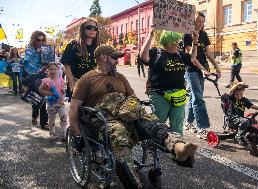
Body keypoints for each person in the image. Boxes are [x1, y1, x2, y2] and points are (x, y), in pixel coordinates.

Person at [69, 45, 198, 188]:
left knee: (152, 122)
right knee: (119, 134)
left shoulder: (120, 77)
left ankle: (178, 147)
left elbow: (133, 98)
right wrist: (77, 135)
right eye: (115, 58)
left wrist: (132, 108)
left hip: (127, 113)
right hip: (104, 118)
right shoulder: (86, 79)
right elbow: (74, 108)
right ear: (103, 58)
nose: (117, 61)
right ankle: (132, 182)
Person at [139, 28, 198, 135]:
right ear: (167, 42)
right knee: (158, 124)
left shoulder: (180, 54)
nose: (177, 44)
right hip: (160, 94)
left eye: (177, 41)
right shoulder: (156, 53)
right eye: (174, 42)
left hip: (179, 94)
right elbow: (143, 56)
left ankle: (178, 148)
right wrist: (150, 36)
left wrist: (195, 42)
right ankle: (155, 147)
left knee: (177, 124)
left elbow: (192, 58)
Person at [183, 11, 221, 139]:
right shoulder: (187, 35)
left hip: (202, 69)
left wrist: (216, 66)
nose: (200, 23)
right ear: (193, 21)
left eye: (202, 21)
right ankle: (202, 128)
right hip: (192, 70)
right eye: (198, 21)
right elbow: (191, 57)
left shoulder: (204, 35)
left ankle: (188, 123)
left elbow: (208, 53)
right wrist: (202, 69)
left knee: (195, 97)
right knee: (198, 98)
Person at [60, 18, 99, 101]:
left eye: (95, 28)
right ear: (82, 29)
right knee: (78, 112)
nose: (92, 30)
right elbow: (66, 66)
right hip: (77, 85)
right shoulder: (73, 45)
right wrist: (72, 84)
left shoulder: (98, 47)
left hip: (94, 86)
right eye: (89, 27)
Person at [23, 30, 48, 130]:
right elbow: (26, 62)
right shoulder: (29, 50)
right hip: (34, 77)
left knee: (44, 100)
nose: (41, 42)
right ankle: (34, 116)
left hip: (44, 76)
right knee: (36, 99)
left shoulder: (46, 49)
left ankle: (44, 122)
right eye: (38, 40)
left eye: (43, 40)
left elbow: (49, 61)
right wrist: (36, 52)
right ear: (33, 40)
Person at [39, 62, 67, 140]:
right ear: (48, 71)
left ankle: (64, 132)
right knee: (52, 119)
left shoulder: (61, 80)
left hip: (60, 102)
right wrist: (50, 93)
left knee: (64, 117)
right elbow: (40, 90)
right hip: (51, 103)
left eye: (55, 69)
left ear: (58, 70)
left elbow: (63, 90)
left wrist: (63, 95)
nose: (53, 71)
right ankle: (52, 132)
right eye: (51, 69)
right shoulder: (46, 81)